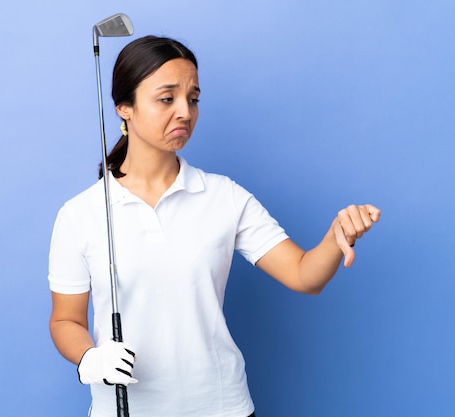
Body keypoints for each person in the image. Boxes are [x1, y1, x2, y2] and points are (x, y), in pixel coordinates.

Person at [48, 35, 380, 417]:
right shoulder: (81, 214)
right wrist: (89, 357)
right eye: (166, 98)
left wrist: (335, 238)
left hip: (222, 407)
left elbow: (305, 276)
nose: (185, 112)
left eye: (193, 98)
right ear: (125, 108)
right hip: (122, 410)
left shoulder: (225, 197)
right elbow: (65, 319)